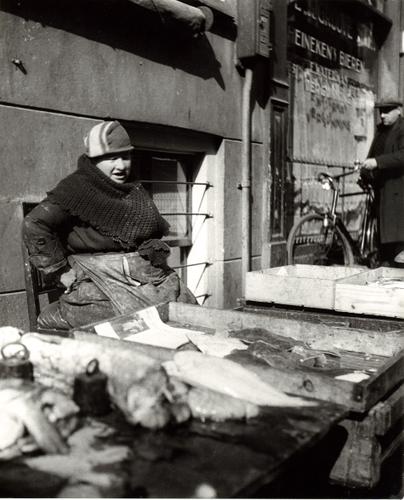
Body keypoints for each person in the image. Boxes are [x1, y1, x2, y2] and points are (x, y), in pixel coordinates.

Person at [22, 121, 197, 331]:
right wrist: (60, 272)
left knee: (186, 309)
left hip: (140, 276)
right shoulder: (76, 189)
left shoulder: (131, 188)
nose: (121, 166)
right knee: (139, 323)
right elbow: (34, 223)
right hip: (99, 282)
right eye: (112, 158)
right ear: (94, 161)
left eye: (126, 156)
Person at [360, 94, 404, 266]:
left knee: (397, 240)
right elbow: (372, 155)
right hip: (382, 192)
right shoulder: (381, 131)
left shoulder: (402, 128)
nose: (382, 115)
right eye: (381, 111)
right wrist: (365, 172)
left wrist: (378, 162)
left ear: (398, 110)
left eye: (387, 111)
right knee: (384, 239)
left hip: (399, 192)